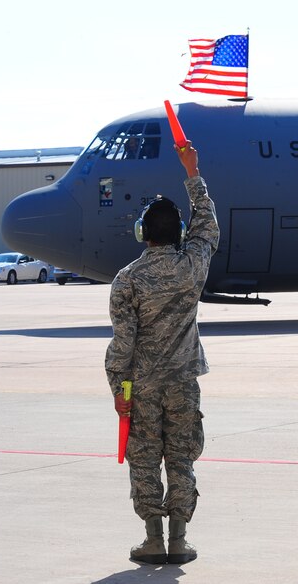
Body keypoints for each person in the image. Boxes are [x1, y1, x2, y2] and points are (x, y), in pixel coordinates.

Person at [105, 140, 219, 564]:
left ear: (143, 233)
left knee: (145, 459)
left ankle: (153, 539)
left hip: (142, 386)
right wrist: (192, 172)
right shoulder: (193, 266)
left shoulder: (128, 279)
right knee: (182, 459)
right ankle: (179, 540)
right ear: (179, 233)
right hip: (183, 382)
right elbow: (207, 227)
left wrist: (119, 389)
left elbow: (123, 342)